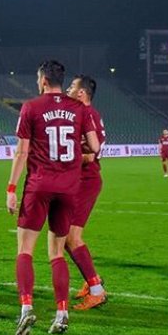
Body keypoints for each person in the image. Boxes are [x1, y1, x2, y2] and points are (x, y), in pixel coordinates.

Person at [6, 60, 100, 335]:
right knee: (57, 252)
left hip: (39, 185)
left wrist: (11, 188)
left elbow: (21, 153)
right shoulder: (79, 109)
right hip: (69, 188)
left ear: (44, 80)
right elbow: (94, 146)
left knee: (25, 249)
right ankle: (61, 313)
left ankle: (26, 308)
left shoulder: (31, 107)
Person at [64, 75, 107, 310]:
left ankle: (97, 290)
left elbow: (90, 155)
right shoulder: (82, 114)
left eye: (72, 86)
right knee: (63, 238)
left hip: (86, 180)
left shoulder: (88, 114)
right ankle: (92, 281)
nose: (68, 89)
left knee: (71, 237)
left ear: (81, 93)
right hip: (77, 181)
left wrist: (61, 157)